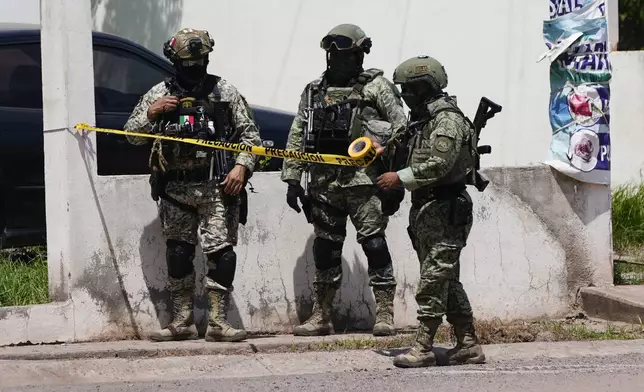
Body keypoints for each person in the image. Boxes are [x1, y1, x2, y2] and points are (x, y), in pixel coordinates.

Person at [123, 28, 261, 343]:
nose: (193, 68)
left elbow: (251, 136)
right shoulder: (160, 93)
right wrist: (151, 113)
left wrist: (242, 165)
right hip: (176, 190)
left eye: (199, 61)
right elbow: (131, 134)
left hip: (217, 188)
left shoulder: (224, 91)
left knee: (222, 255)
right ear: (174, 61)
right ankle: (182, 321)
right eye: (187, 63)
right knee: (178, 254)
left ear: (207, 58)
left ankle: (217, 322)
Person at [281, 23, 407, 337]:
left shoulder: (377, 86)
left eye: (348, 54)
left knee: (374, 244)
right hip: (324, 184)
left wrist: (382, 145)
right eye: (334, 55)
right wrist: (293, 179)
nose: (339, 61)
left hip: (364, 182)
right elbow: (298, 133)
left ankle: (386, 314)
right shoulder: (313, 91)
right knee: (325, 249)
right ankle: (321, 315)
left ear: (359, 54)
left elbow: (403, 126)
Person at [376, 55, 486, 367]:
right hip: (427, 210)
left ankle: (423, 346)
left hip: (447, 209)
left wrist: (401, 177)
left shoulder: (447, 121)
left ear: (425, 86)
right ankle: (468, 344)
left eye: (408, 89)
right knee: (446, 280)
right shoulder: (422, 120)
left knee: (433, 281)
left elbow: (441, 163)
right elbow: (407, 144)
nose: (404, 96)